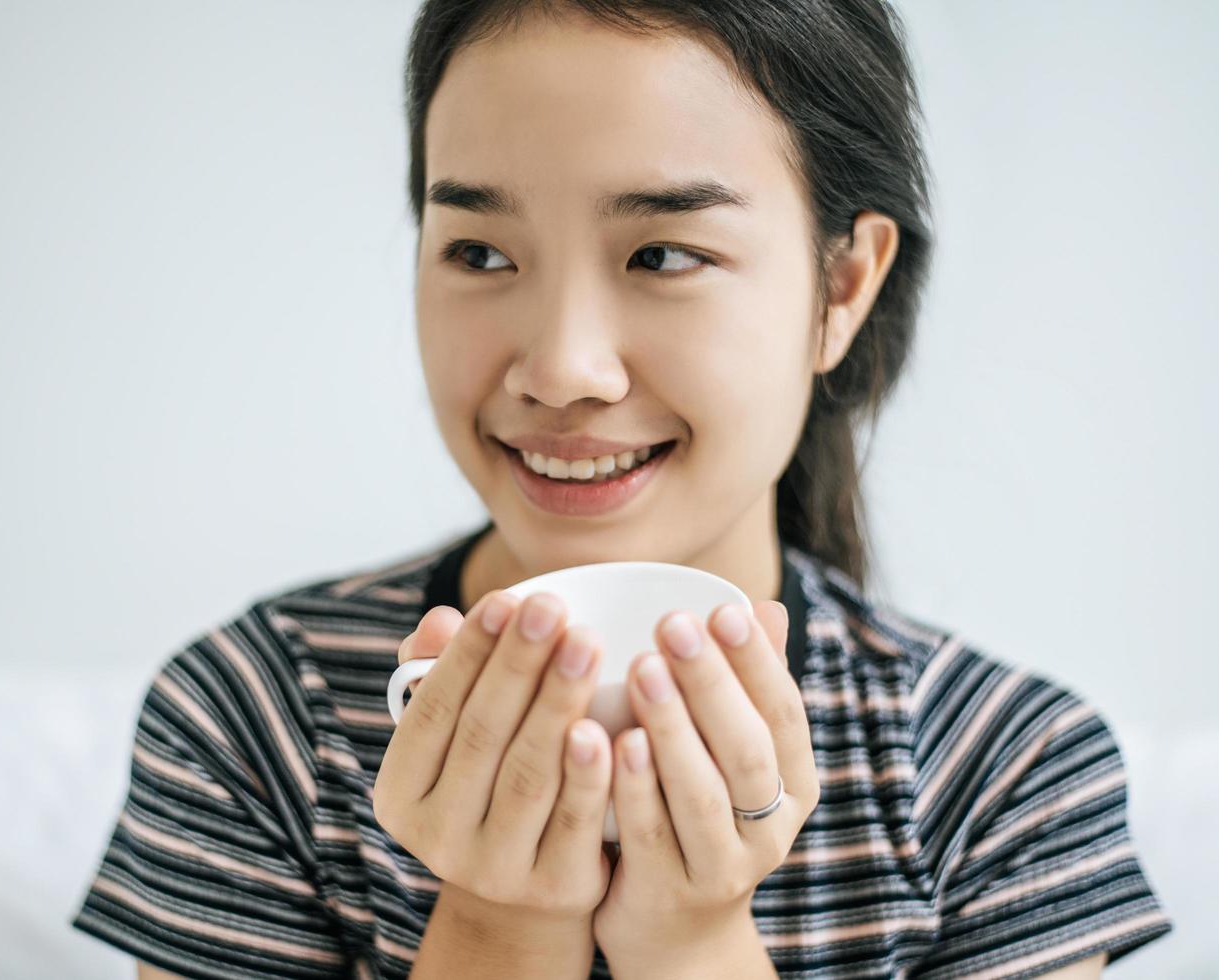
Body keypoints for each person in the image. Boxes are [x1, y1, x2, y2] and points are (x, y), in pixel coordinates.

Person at [70, 1, 1174, 977]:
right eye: (481, 253)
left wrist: (692, 944)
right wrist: (497, 928)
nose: (560, 369)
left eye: (661, 255)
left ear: (841, 285)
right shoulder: (257, 715)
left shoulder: (1004, 770)